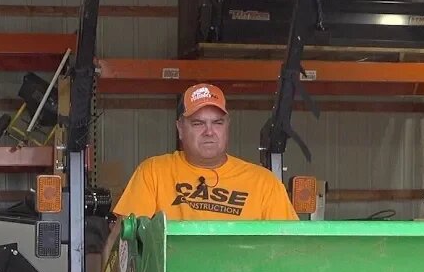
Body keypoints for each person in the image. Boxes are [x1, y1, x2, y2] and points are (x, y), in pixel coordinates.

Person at [111, 82, 298, 223]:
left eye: (217, 123)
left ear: (227, 126)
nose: (209, 131)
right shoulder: (153, 173)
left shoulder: (265, 183)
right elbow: (123, 245)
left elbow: (290, 250)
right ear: (180, 129)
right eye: (198, 123)